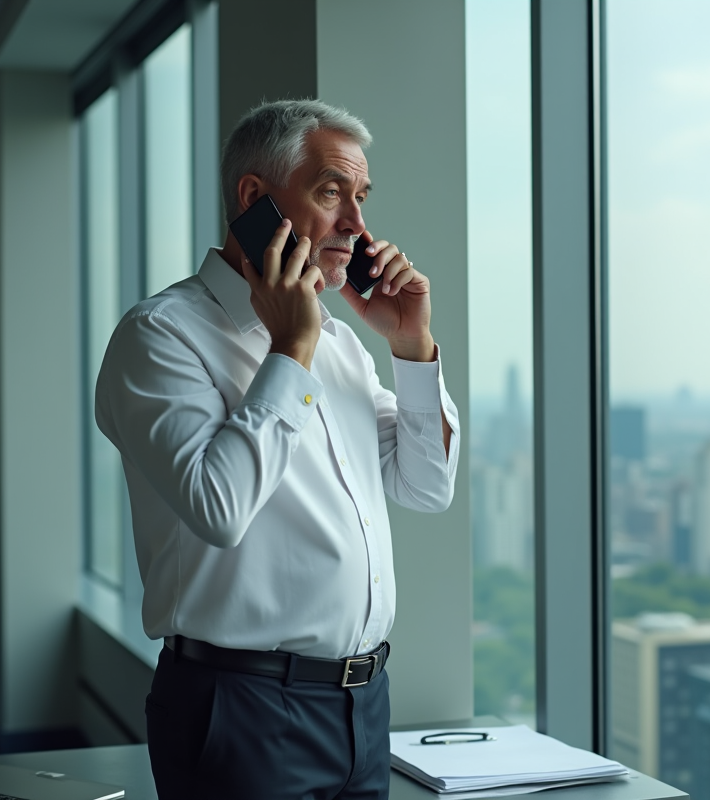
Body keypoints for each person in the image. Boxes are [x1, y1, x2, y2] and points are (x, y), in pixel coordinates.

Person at [95, 98, 459, 800]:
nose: (357, 225)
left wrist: (412, 348)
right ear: (255, 200)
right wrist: (291, 348)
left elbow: (426, 485)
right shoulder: (160, 337)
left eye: (362, 198)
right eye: (331, 193)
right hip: (240, 708)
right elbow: (218, 506)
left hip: (363, 705)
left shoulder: (343, 343)